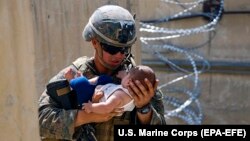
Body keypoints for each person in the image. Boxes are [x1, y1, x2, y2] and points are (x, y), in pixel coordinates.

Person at [38, 5, 166, 141]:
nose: (118, 55)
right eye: (111, 49)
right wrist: (86, 116)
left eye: (124, 49)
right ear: (95, 42)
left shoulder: (138, 82)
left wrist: (144, 109)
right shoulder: (73, 76)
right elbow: (41, 121)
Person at [64, 65, 156, 116]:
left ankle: (71, 80)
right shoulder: (129, 92)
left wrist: (91, 106)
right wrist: (124, 76)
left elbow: (107, 108)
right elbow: (126, 82)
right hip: (102, 91)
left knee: (81, 83)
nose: (125, 75)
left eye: (127, 75)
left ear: (129, 82)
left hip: (91, 102)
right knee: (105, 79)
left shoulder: (119, 96)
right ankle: (86, 83)